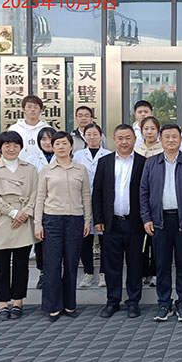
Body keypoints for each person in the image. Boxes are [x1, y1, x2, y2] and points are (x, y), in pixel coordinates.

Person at [140, 124, 182, 323]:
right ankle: (164, 303)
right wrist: (147, 218)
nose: (171, 140)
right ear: (161, 139)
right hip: (159, 221)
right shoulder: (151, 163)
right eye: (167, 137)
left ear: (181, 140)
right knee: (162, 264)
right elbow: (144, 193)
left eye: (175, 136)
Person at [34, 131, 92, 322]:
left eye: (64, 143)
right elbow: (40, 197)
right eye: (57, 143)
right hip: (52, 220)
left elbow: (86, 196)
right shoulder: (46, 170)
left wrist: (87, 221)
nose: (61, 147)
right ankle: (53, 306)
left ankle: (69, 304)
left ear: (71, 146)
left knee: (71, 264)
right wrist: (37, 224)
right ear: (53, 146)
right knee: (52, 265)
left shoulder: (80, 169)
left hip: (75, 220)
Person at [0, 131, 38, 321]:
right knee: (1, 265)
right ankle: (3, 303)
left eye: (15, 145)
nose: (11, 149)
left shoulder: (29, 169)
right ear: (0, 148)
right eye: (7, 145)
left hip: (23, 220)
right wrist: (13, 213)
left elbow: (36, 193)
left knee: (21, 264)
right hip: (0, 220)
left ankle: (18, 302)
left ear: (21, 148)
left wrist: (24, 213)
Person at [93, 124, 147, 319]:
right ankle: (112, 301)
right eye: (120, 138)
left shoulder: (143, 162)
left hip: (135, 222)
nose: (124, 142)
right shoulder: (104, 162)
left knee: (135, 264)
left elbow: (146, 193)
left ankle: (133, 302)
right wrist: (98, 218)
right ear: (114, 140)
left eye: (128, 138)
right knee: (111, 265)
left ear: (135, 140)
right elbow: (97, 192)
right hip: (111, 222)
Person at [73, 123, 112, 288]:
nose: (92, 137)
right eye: (88, 134)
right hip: (83, 201)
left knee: (105, 239)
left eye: (95, 134)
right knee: (85, 238)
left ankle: (104, 273)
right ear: (84, 137)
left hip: (103, 201)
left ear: (101, 136)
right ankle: (88, 272)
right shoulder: (77, 156)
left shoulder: (108, 155)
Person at [25, 126, 56, 289]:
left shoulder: (63, 157)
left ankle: (55, 273)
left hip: (58, 205)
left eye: (50, 139)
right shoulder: (32, 159)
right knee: (40, 241)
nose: (47, 142)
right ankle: (43, 272)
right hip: (39, 205)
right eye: (43, 139)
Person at [134, 116, 164, 287]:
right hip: (139, 200)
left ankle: (155, 273)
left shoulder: (163, 150)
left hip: (158, 200)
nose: (149, 132)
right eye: (146, 129)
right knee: (140, 240)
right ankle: (143, 271)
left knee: (156, 240)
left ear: (158, 131)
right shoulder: (136, 150)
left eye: (153, 129)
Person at [7, 95, 50, 160]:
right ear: (23, 109)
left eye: (36, 107)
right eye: (29, 107)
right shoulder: (15, 128)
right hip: (18, 164)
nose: (32, 110)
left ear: (41, 110)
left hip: (42, 164)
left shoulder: (47, 129)